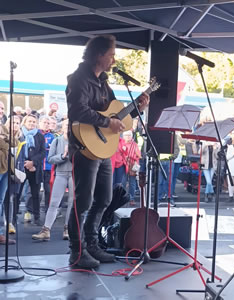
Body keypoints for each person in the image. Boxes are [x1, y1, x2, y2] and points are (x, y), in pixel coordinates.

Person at [66, 35, 149, 269]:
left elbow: (116, 117)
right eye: (111, 54)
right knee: (82, 201)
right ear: (99, 54)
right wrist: (106, 123)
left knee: (104, 198)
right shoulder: (78, 79)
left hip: (102, 148)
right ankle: (77, 252)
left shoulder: (104, 83)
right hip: (84, 147)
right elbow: (77, 111)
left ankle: (91, 244)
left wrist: (136, 110)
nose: (114, 59)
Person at [32, 119, 73, 241]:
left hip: (74, 174)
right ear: (62, 127)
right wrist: (63, 156)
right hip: (60, 173)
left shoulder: (78, 142)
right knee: (54, 202)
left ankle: (67, 228)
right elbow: (50, 159)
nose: (69, 127)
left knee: (72, 202)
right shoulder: (57, 140)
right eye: (67, 125)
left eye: (71, 125)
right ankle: (46, 230)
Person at [22, 114, 45, 225]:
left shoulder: (40, 136)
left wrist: (33, 162)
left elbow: (42, 152)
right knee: (17, 194)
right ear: (25, 123)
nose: (31, 123)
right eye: (29, 121)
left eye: (33, 122)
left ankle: (37, 217)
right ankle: (12, 219)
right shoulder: (20, 134)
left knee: (36, 194)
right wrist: (26, 163)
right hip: (21, 167)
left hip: (35, 168)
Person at [39, 115, 55, 212]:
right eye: (44, 122)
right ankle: (30, 210)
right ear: (40, 123)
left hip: (48, 167)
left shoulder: (52, 136)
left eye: (48, 123)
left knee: (48, 190)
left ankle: (47, 208)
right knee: (33, 191)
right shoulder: (36, 134)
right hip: (38, 166)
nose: (46, 125)